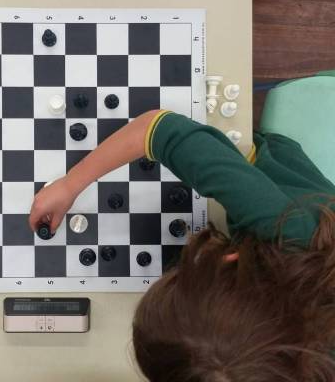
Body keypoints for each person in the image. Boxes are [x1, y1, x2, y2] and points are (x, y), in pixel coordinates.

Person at [29, 109, 335, 379]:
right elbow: (160, 130)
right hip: (277, 175)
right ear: (227, 259)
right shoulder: (283, 225)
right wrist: (70, 184)